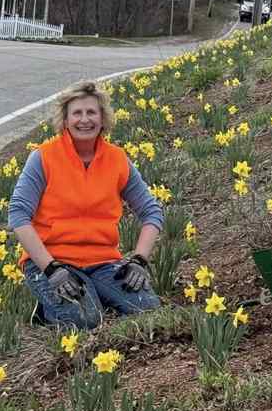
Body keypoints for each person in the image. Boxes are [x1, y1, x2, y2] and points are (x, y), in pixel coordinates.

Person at [9, 81, 163, 329]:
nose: (84, 120)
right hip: (52, 263)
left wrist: (139, 260)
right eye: (77, 113)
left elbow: (152, 211)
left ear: (103, 118)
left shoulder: (117, 160)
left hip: (102, 262)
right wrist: (50, 268)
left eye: (91, 112)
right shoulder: (44, 157)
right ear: (66, 120)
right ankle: (46, 311)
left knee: (147, 308)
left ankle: (96, 292)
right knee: (85, 320)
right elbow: (18, 215)